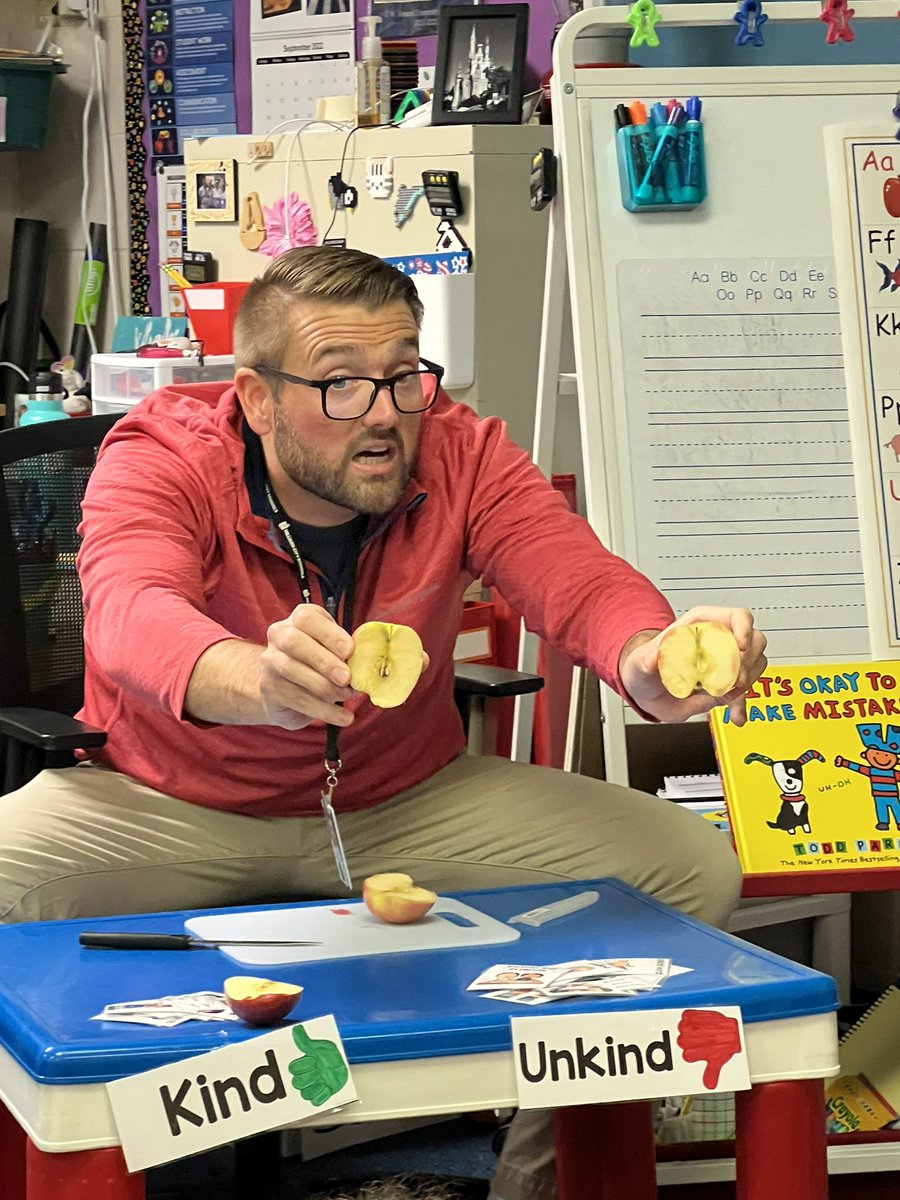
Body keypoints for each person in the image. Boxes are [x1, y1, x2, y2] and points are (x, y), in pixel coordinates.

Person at [0, 246, 766, 1200]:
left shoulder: (461, 450)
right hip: (165, 800)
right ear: (255, 395)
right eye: (340, 386)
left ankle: (539, 1188)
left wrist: (649, 657)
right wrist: (254, 678)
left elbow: (573, 575)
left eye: (404, 376)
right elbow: (128, 609)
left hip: (403, 801)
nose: (385, 415)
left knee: (682, 866)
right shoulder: (166, 453)